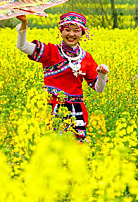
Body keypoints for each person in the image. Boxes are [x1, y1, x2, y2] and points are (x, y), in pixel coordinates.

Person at [15, 12, 109, 141]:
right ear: (61, 31)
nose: (71, 34)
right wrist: (24, 25)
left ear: (82, 34)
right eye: (67, 30)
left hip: (75, 110)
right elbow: (23, 46)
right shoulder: (50, 51)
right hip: (50, 105)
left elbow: (99, 88)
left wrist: (102, 75)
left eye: (76, 31)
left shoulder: (86, 57)